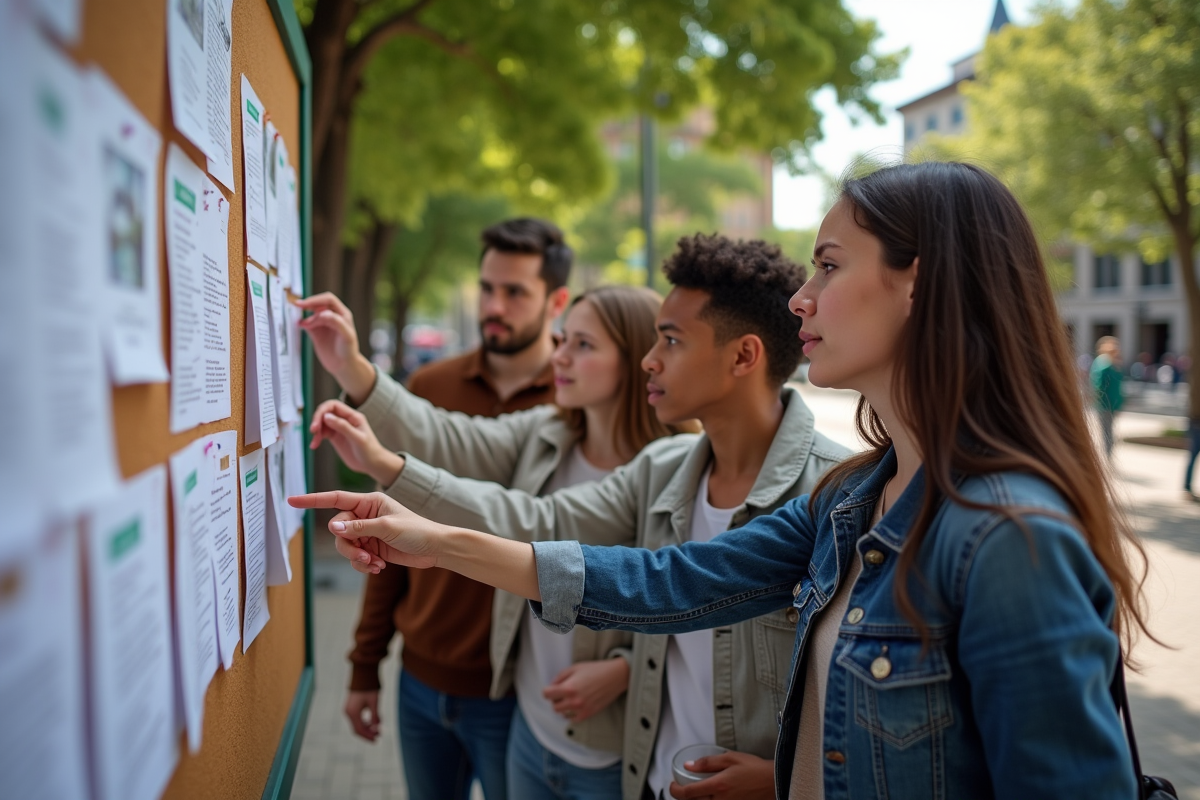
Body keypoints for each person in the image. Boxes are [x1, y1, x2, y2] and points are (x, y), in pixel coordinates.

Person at [294, 162, 1153, 800]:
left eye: (828, 265)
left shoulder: (1011, 540)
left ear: (916, 284)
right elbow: (665, 583)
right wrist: (429, 538)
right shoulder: (856, 497)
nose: (801, 300)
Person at [304, 233, 850, 800]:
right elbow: (541, 522)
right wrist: (419, 520)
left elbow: (866, 702)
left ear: (743, 356)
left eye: (670, 340)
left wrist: (790, 777)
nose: (650, 359)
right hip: (647, 776)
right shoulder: (662, 467)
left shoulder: (836, 492)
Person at [308, 286, 697, 799]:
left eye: (583, 345)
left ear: (634, 358)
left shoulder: (674, 467)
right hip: (530, 724)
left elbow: (694, 606)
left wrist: (625, 668)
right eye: (562, 339)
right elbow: (449, 435)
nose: (558, 355)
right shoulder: (549, 428)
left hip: (614, 743)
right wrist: (353, 369)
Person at [294, 217, 573, 800]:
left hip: (515, 690)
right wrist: (365, 664)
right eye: (487, 288)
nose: (493, 305)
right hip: (420, 679)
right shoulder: (430, 384)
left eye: (515, 291)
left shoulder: (574, 401)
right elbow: (388, 535)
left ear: (557, 301)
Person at [1090, 336, 1124, 458]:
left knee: (1108, 431)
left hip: (1110, 403)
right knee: (1107, 431)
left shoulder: (1112, 364)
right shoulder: (1104, 364)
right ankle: (1107, 455)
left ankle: (1108, 455)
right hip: (1105, 403)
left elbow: (1118, 388)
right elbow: (1099, 386)